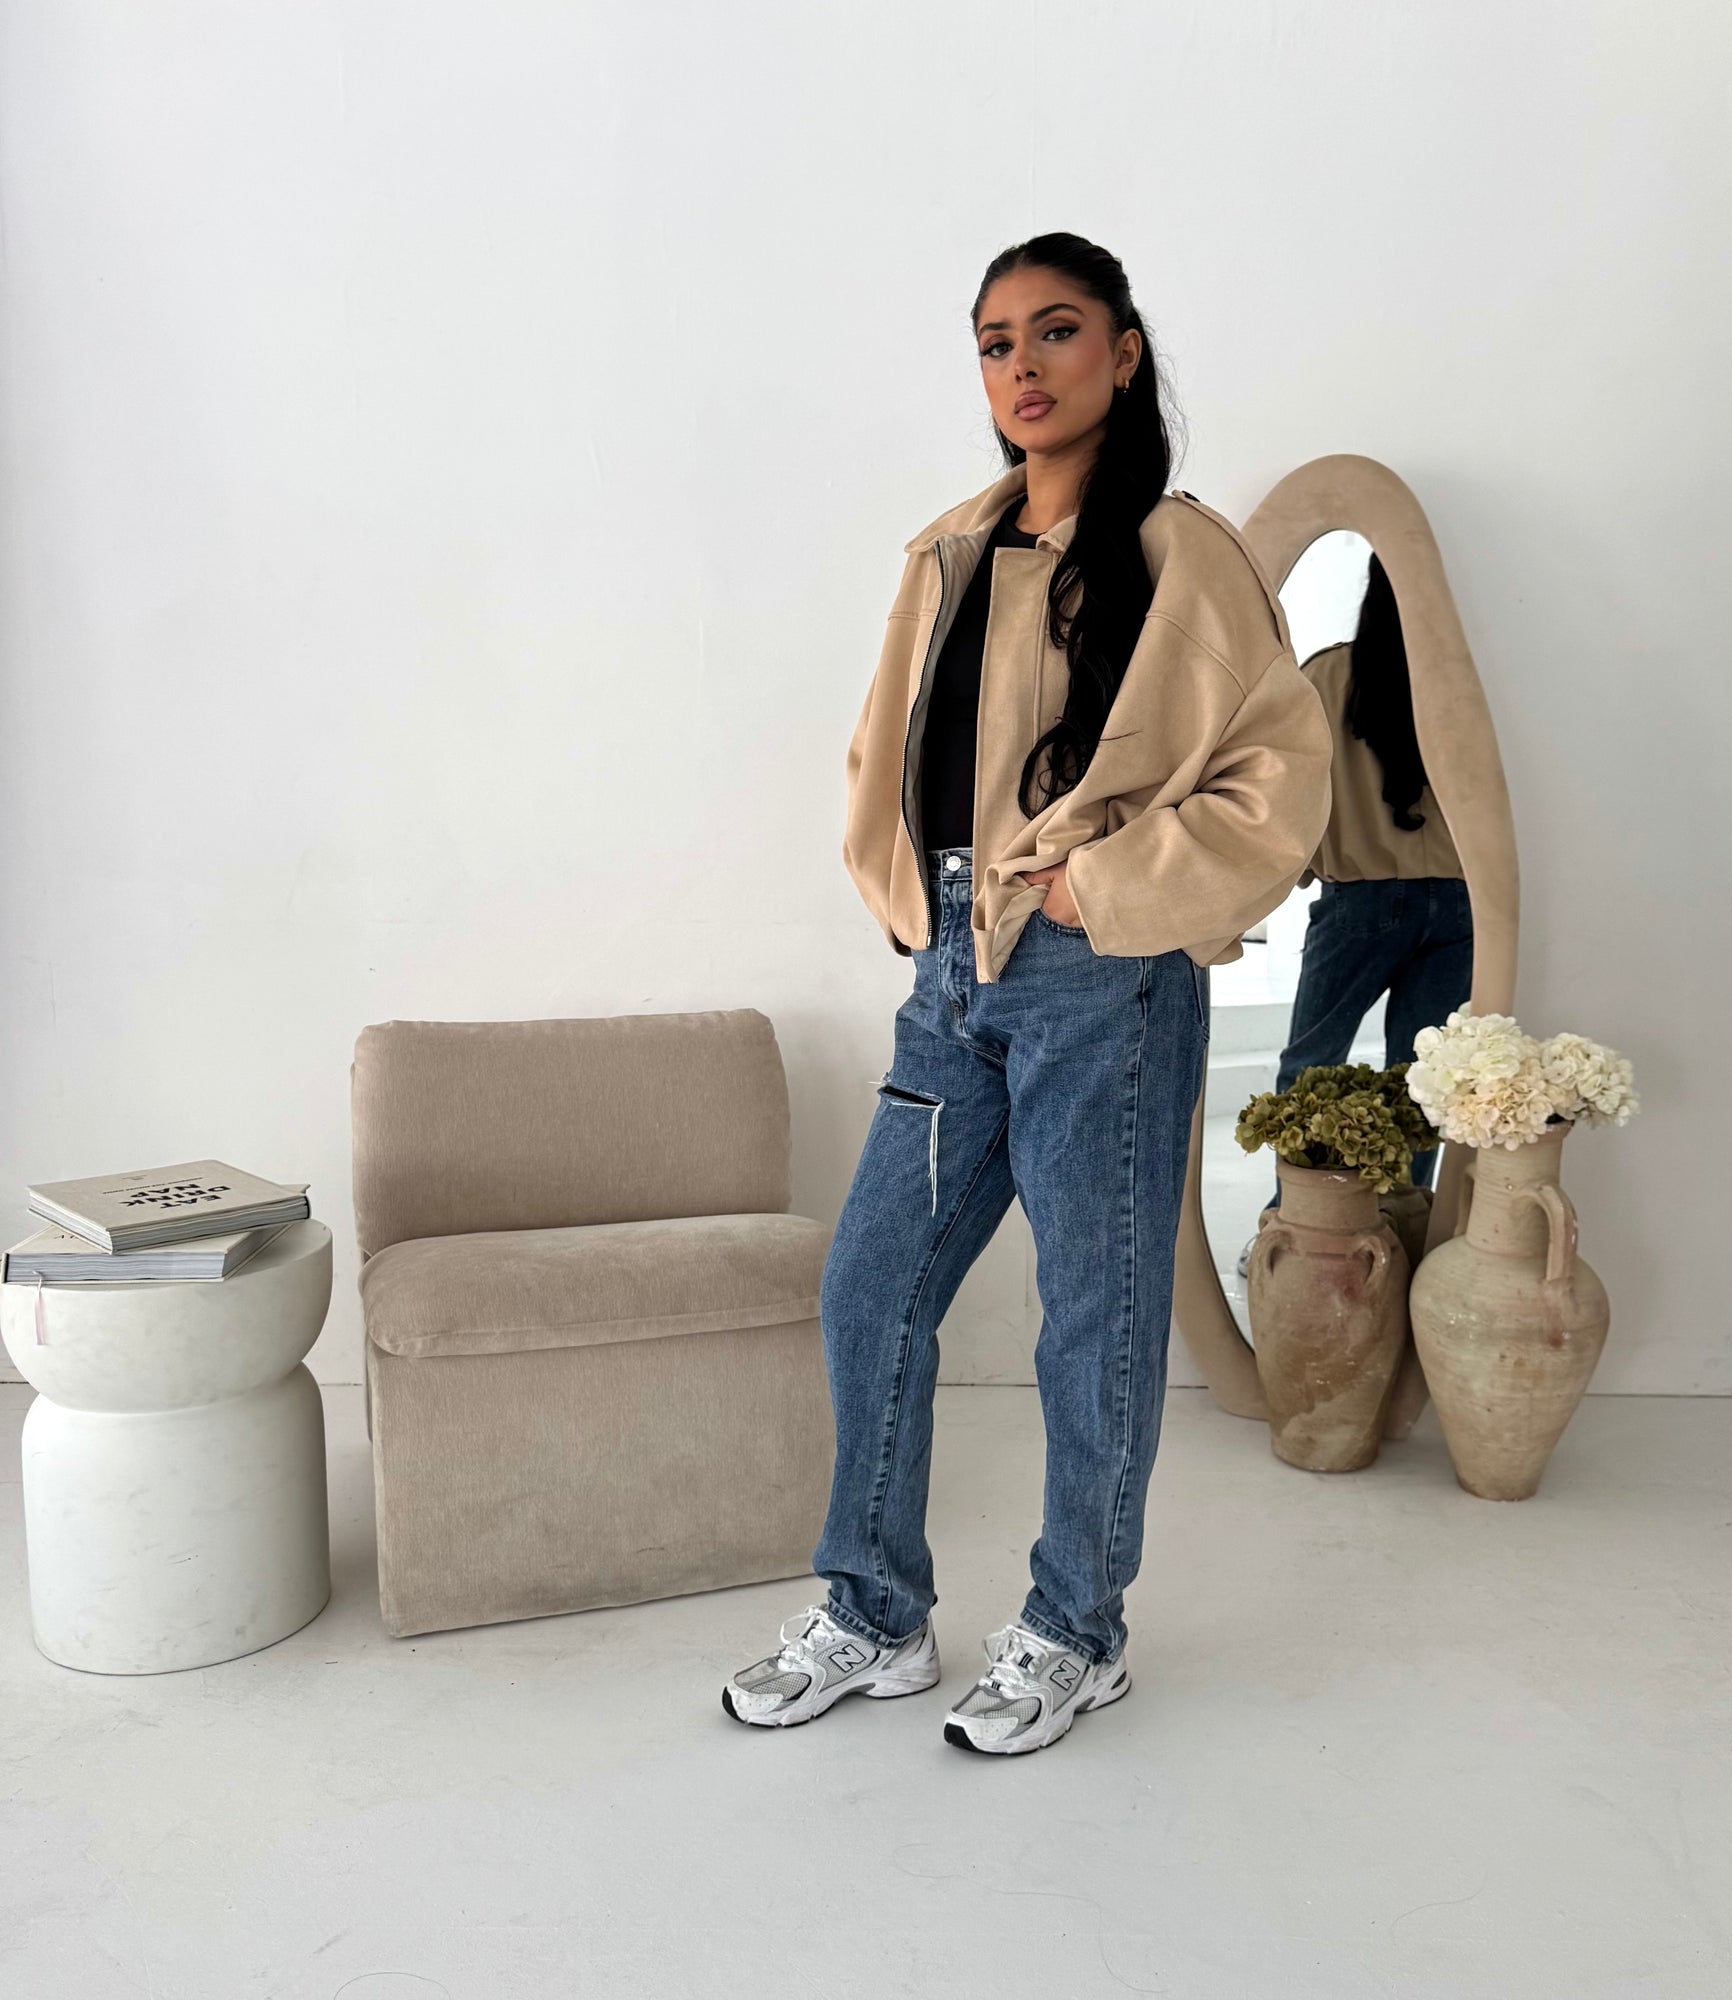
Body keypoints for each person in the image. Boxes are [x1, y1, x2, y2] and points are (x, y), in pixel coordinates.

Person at [721, 232, 1333, 1756]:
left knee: (1092, 1319)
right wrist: (907, 898)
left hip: (1097, 981)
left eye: (1056, 332)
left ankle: (1077, 1631)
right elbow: (891, 749)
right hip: (955, 970)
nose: (1022, 366)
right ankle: (876, 1612)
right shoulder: (951, 546)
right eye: (995, 343)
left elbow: (1280, 780)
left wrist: (1093, 890)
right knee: (872, 1285)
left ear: (1123, 352)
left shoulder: (1178, 554)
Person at [1238, 554, 1474, 1273]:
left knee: (1311, 1063)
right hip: (1460, 899)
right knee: (1421, 1076)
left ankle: (1295, 1227)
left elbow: (1292, 789)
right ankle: (1402, 1228)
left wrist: (1313, 864)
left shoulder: (1328, 675)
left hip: (1362, 897)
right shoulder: (1464, 681)